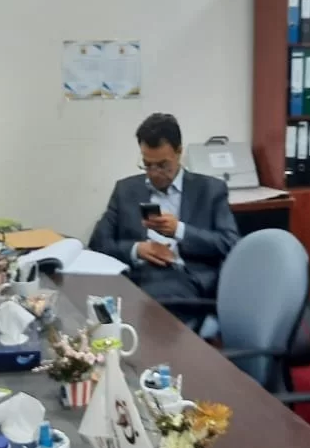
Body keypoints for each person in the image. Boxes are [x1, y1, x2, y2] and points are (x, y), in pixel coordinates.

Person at [90, 113, 240, 328]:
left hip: (184, 279)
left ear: (179, 152)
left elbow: (230, 243)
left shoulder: (210, 190)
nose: (154, 173)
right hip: (137, 276)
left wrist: (179, 230)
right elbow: (98, 243)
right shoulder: (126, 190)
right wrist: (137, 249)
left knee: (149, 314)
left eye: (162, 165)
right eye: (147, 164)